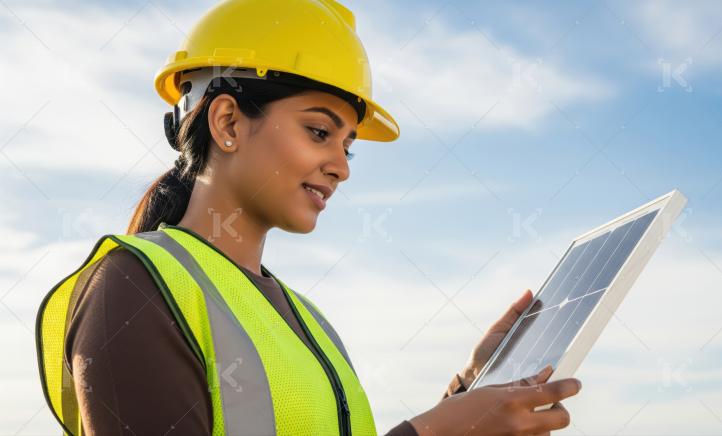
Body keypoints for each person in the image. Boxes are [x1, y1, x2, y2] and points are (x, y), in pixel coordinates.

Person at [34, 1, 581, 435]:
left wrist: (467, 394)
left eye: (349, 146)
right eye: (319, 132)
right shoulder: (131, 288)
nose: (341, 167)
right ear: (227, 122)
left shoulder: (305, 320)